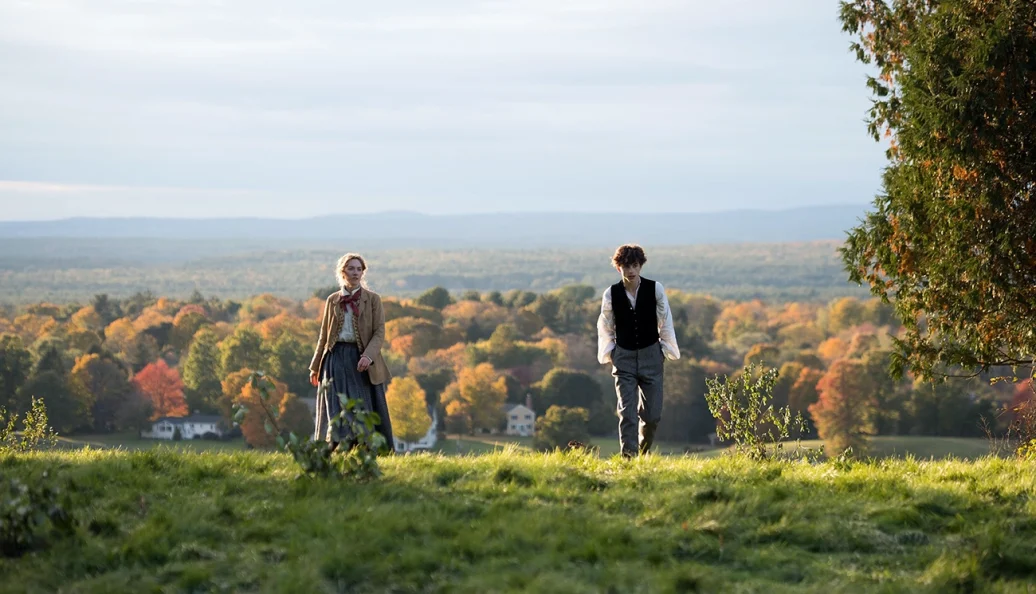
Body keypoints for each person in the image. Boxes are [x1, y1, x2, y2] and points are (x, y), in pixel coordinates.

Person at [597, 244, 680, 457]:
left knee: (652, 416)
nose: (631, 270)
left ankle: (642, 451)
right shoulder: (611, 294)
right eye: (626, 266)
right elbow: (605, 325)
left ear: (640, 266)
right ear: (619, 268)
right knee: (627, 412)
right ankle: (628, 459)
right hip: (623, 358)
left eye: (634, 265)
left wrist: (665, 350)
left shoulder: (655, 289)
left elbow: (665, 321)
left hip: (651, 356)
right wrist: (612, 353)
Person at [309, 253, 394, 453]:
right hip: (335, 359)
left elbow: (379, 332)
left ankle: (367, 449)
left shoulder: (372, 300)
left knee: (360, 406)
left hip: (361, 360)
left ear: (363, 273)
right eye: (351, 268)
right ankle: (332, 449)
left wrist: (368, 356)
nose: (355, 273)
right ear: (342, 272)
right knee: (335, 406)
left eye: (359, 269)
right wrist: (315, 366)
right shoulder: (332, 300)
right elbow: (324, 335)